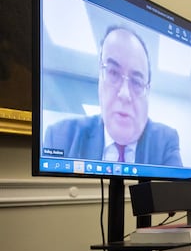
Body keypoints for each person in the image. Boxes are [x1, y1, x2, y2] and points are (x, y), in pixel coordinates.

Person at [43, 26, 182, 166]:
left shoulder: (165, 141)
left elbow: (178, 188)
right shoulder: (60, 137)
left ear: (148, 93)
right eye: (113, 73)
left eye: (137, 82)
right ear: (100, 77)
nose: (124, 93)